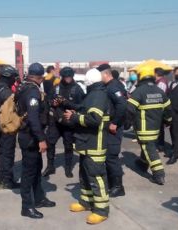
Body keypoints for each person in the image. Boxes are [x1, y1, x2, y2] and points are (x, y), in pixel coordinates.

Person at [64, 68, 110, 225]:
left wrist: (74, 117)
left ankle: (101, 210)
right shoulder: (93, 94)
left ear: (89, 82)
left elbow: (94, 119)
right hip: (86, 143)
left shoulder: (98, 95)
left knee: (97, 177)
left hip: (94, 144)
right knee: (84, 175)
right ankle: (86, 202)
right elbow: (86, 110)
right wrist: (75, 111)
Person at [17, 63, 55, 219]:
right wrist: (41, 139)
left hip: (31, 136)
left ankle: (39, 198)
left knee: (37, 169)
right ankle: (26, 207)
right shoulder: (32, 91)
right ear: (39, 77)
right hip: (30, 138)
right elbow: (33, 118)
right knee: (29, 173)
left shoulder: (24, 87)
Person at [128, 66, 172, 185]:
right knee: (148, 147)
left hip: (143, 128)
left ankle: (159, 175)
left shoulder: (139, 91)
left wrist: (126, 123)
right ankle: (142, 163)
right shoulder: (159, 91)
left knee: (150, 150)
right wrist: (168, 121)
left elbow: (129, 109)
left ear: (141, 77)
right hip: (156, 128)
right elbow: (168, 108)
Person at [42, 67, 85, 178]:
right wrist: (53, 103)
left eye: (69, 76)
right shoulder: (56, 87)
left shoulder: (77, 89)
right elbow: (48, 101)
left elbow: (81, 107)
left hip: (69, 122)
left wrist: (66, 103)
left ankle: (68, 168)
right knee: (50, 143)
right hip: (55, 121)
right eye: (65, 76)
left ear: (72, 76)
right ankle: (50, 166)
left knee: (68, 146)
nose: (67, 78)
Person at [0, 65, 20, 189]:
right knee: (8, 153)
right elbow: (15, 107)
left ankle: (0, 176)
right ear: (7, 77)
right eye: (13, 77)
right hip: (6, 126)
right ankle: (7, 180)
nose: (14, 80)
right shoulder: (5, 91)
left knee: (1, 151)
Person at [98, 64, 127, 197]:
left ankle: (118, 187)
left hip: (114, 128)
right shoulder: (110, 86)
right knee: (108, 156)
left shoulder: (113, 86)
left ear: (105, 74)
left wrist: (115, 123)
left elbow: (122, 104)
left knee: (111, 156)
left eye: (99, 75)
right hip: (109, 126)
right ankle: (111, 183)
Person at [155, 68, 169, 153]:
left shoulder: (161, 83)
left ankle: (160, 146)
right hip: (159, 108)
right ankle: (159, 145)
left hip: (160, 108)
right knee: (159, 128)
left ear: (156, 74)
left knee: (160, 129)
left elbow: (160, 96)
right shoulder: (160, 82)